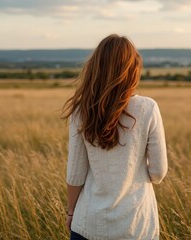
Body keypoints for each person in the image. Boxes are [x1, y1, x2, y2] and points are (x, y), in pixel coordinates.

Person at [61, 34, 168, 240]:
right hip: (137, 227)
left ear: (96, 67)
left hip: (89, 224)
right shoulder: (148, 108)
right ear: (133, 69)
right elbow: (158, 172)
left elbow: (75, 173)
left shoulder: (81, 111)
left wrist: (71, 213)